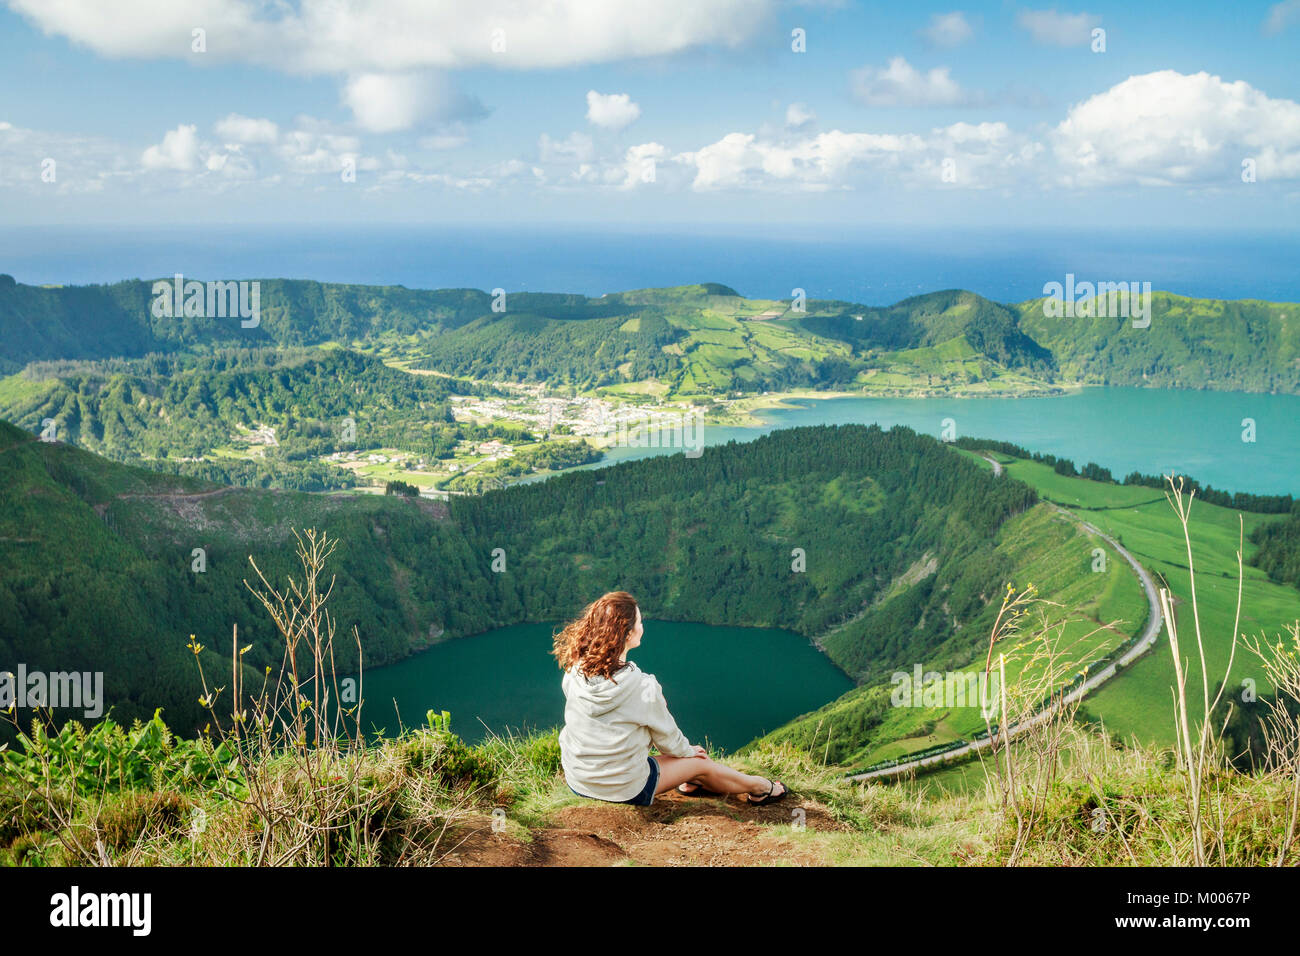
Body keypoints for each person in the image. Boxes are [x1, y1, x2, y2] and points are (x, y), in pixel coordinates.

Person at [551, 590, 788, 808]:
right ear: (628, 633)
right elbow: (667, 739)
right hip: (623, 789)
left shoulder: (575, 670)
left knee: (687, 761)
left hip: (578, 778)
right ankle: (762, 788)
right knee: (701, 762)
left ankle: (692, 780)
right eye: (640, 622)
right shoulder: (642, 686)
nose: (643, 627)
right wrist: (689, 752)